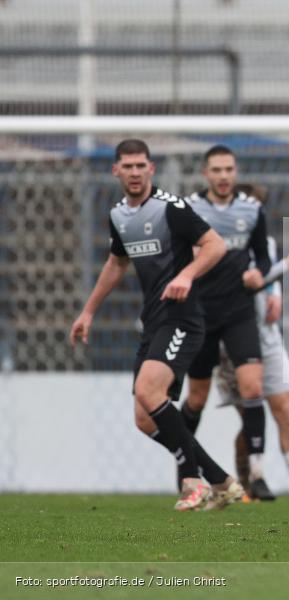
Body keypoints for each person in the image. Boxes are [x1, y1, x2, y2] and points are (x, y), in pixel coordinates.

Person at [69, 138, 243, 511]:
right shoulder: (119, 216)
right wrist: (88, 311)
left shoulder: (171, 209)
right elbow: (117, 263)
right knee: (145, 420)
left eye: (140, 165)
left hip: (182, 317)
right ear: (116, 170)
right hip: (154, 320)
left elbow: (215, 246)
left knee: (150, 391)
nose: (134, 172)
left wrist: (187, 275)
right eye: (127, 166)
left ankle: (192, 482)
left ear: (151, 169)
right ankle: (222, 481)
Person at [215, 182, 289, 504]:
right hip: (232, 340)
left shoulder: (268, 243)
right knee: (250, 415)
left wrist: (275, 296)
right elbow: (248, 280)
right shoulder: (218, 244)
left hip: (269, 338)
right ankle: (247, 487)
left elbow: (265, 276)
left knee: (283, 409)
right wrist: (287, 265)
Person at [180, 146, 274, 501]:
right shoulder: (190, 209)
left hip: (239, 312)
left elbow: (263, 259)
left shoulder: (252, 210)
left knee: (252, 388)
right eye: (216, 170)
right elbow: (177, 256)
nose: (223, 176)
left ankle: (258, 475)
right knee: (197, 397)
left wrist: (258, 275)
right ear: (206, 173)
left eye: (229, 169)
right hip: (200, 313)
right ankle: (186, 472)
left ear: (236, 172)